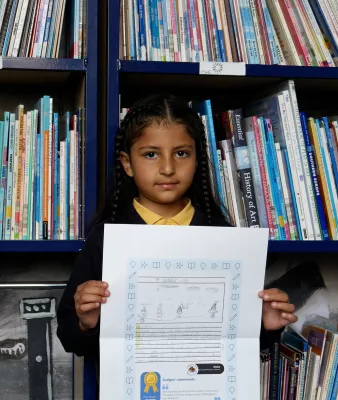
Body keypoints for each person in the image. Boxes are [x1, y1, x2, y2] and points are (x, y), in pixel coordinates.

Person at [56, 93, 298, 387]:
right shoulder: (106, 238)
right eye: (151, 154)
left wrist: (265, 325)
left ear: (198, 160)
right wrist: (86, 322)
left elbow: (234, 341)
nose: (168, 168)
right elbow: (71, 339)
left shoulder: (222, 236)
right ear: (127, 163)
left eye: (182, 153)